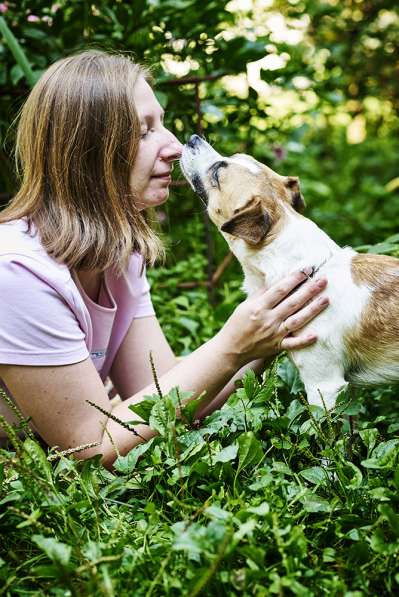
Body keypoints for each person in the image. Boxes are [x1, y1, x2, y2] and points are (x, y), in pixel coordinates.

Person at [0, 50, 329, 468]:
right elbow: (87, 447)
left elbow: (165, 394)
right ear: (88, 153)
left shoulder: (118, 256)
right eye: (143, 132)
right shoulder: (15, 272)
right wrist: (232, 345)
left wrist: (270, 329)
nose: (174, 146)